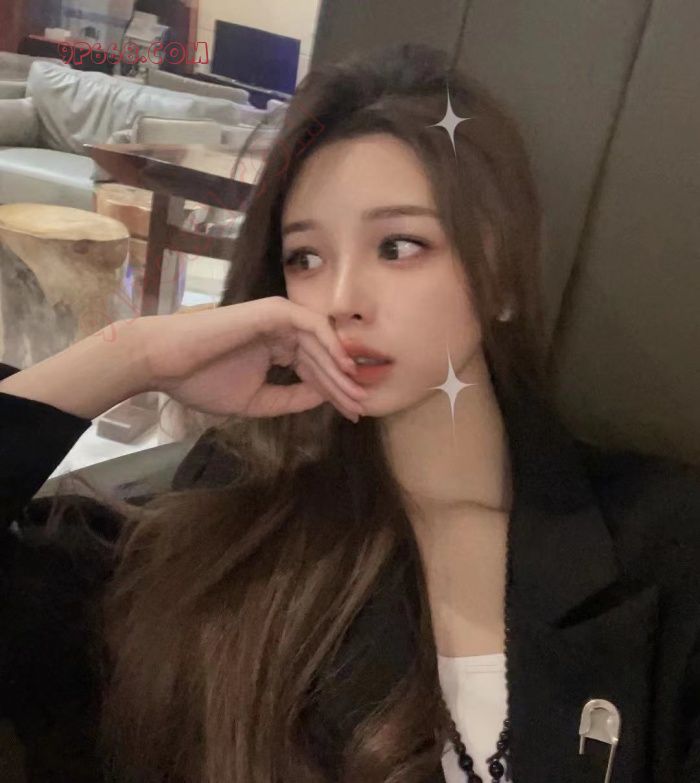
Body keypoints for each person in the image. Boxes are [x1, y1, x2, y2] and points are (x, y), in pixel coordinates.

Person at [1, 42, 699, 783]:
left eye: (398, 246)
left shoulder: (660, 544)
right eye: (305, 258)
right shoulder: (234, 513)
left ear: (499, 277)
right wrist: (130, 355)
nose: (339, 300)